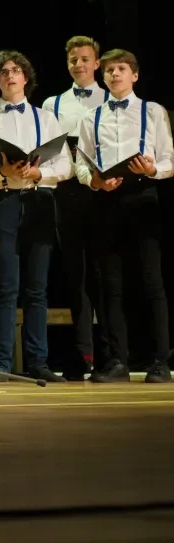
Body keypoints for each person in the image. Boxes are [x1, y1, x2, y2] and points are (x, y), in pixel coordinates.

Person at [0, 51, 71, 383]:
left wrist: (39, 173)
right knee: (6, 285)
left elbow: (65, 165)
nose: (10, 76)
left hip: (40, 199)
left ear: (26, 77)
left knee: (37, 287)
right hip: (2, 200)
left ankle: (38, 361)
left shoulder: (46, 118)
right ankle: (2, 362)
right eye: (3, 72)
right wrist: (1, 171)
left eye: (16, 70)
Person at [73, 49, 171, 383]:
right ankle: (118, 361)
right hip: (107, 200)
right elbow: (81, 163)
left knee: (151, 281)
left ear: (135, 75)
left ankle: (160, 361)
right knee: (109, 285)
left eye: (121, 69)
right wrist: (94, 181)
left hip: (143, 197)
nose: (115, 74)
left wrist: (152, 169)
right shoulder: (92, 117)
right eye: (110, 70)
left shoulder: (153, 111)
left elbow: (169, 160)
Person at [42, 35, 107, 379]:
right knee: (75, 273)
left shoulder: (111, 97)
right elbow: (49, 147)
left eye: (84, 59)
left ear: (97, 63)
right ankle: (84, 353)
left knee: (106, 273)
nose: (79, 64)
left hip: (107, 190)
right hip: (68, 191)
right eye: (73, 60)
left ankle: (113, 353)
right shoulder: (53, 103)